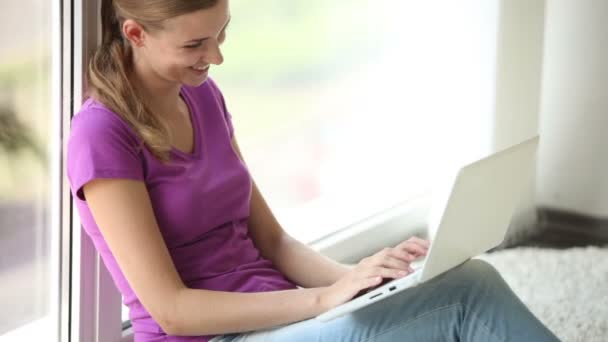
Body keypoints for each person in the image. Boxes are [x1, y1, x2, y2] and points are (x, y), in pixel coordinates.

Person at [66, 0, 560, 341]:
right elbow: (170, 310)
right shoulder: (102, 135)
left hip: (282, 318)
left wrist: (366, 279)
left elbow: (274, 243)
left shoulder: (202, 95)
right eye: (195, 44)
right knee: (469, 295)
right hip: (215, 338)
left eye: (222, 33)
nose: (215, 56)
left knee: (457, 284)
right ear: (136, 34)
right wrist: (323, 300)